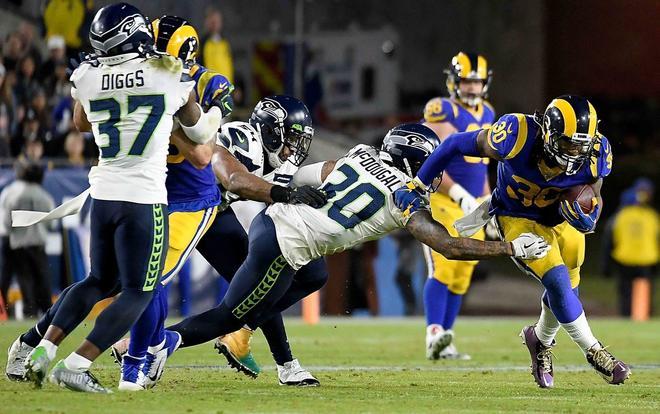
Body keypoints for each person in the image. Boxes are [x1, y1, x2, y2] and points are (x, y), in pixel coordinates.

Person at [161, 123, 549, 371]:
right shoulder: (405, 199)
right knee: (228, 316)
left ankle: (281, 361)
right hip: (285, 246)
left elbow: (302, 176)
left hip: (272, 224)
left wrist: (283, 187)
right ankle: (151, 348)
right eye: (430, 165)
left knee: (302, 282)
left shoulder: (360, 154)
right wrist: (512, 249)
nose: (434, 176)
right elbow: (448, 246)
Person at [15, 2, 223, 393]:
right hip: (144, 197)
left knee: (97, 280)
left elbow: (80, 122)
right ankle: (76, 364)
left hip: (104, 193)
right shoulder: (169, 73)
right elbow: (199, 142)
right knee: (139, 290)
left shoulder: (88, 75)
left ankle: (43, 347)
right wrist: (209, 114)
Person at [402, 95, 630, 387]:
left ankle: (539, 340)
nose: (574, 153)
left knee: (567, 291)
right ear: (548, 132)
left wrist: (591, 209)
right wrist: (419, 184)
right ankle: (595, 352)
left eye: (580, 146)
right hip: (517, 218)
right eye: (567, 144)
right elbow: (453, 144)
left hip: (560, 218)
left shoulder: (597, 151)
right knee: (558, 282)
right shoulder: (517, 135)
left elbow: (593, 190)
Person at [112, 92, 326, 388]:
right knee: (114, 282)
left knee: (280, 282)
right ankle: (56, 345)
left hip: (210, 212)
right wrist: (286, 194)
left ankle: (274, 356)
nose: (291, 150)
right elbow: (234, 179)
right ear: (270, 129)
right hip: (180, 207)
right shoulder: (243, 138)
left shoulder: (273, 157)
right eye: (288, 139)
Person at [422, 52, 496, 360]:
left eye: (476, 82)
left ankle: (446, 341)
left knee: (464, 269)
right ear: (454, 81)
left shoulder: (489, 112)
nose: (471, 88)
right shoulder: (442, 109)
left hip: (474, 202)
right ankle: (433, 333)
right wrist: (459, 195)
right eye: (466, 81)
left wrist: (489, 203)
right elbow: (435, 161)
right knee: (445, 264)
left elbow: (482, 166)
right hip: (442, 197)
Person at [0, 162, 54, 318]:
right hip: (38, 242)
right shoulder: (44, 195)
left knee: (24, 279)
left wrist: (13, 234)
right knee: (42, 278)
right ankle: (47, 313)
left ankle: (27, 311)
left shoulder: (11, 192)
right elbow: (51, 220)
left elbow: (5, 221)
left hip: (18, 241)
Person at [603, 178, 658, 316]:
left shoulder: (619, 217)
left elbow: (609, 241)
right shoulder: (651, 216)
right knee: (645, 293)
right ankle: (644, 316)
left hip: (624, 259)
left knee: (625, 292)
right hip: (646, 260)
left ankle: (626, 316)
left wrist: (606, 266)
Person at [200, 8, 234, 84]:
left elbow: (232, 65)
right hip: (209, 87)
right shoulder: (202, 43)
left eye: (217, 21)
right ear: (207, 22)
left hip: (226, 86)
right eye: (212, 21)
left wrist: (237, 85)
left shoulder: (226, 42)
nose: (215, 24)